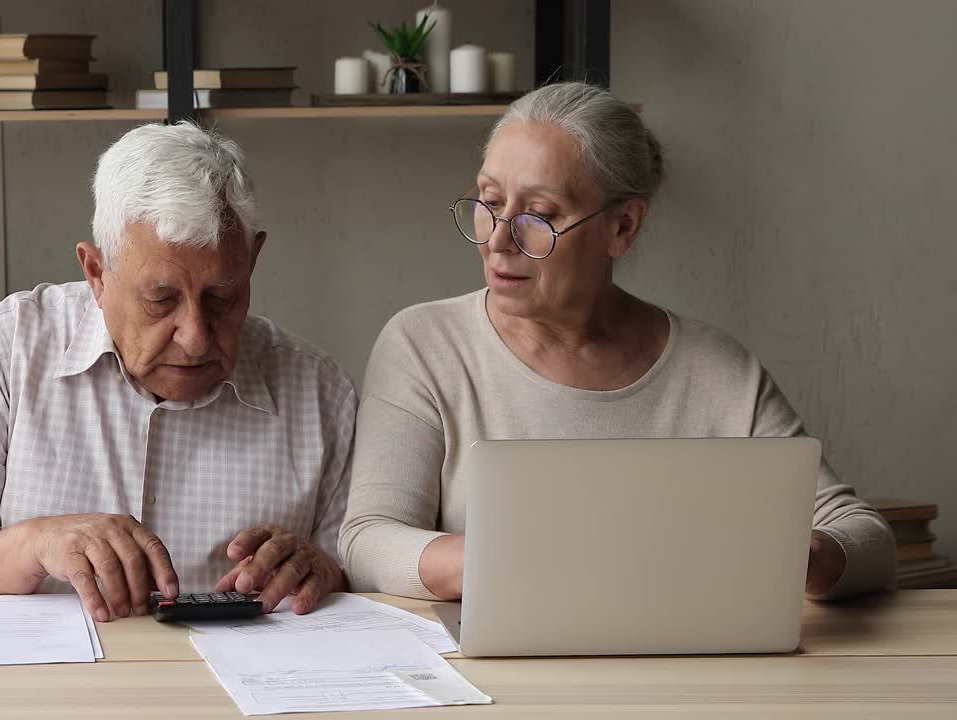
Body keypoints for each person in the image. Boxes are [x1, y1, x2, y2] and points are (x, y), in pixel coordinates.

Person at [338, 82, 895, 602]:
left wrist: (807, 558)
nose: (499, 240)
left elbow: (863, 535)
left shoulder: (718, 371)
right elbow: (367, 541)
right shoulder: (424, 344)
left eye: (539, 214)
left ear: (623, 226)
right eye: (488, 201)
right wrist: (508, 561)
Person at [0, 122, 356, 621]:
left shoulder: (321, 395)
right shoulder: (4, 352)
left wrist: (326, 571)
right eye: (161, 299)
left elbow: (362, 582)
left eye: (223, 298)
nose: (195, 336)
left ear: (252, 261)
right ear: (96, 273)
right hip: (44, 693)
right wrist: (29, 545)